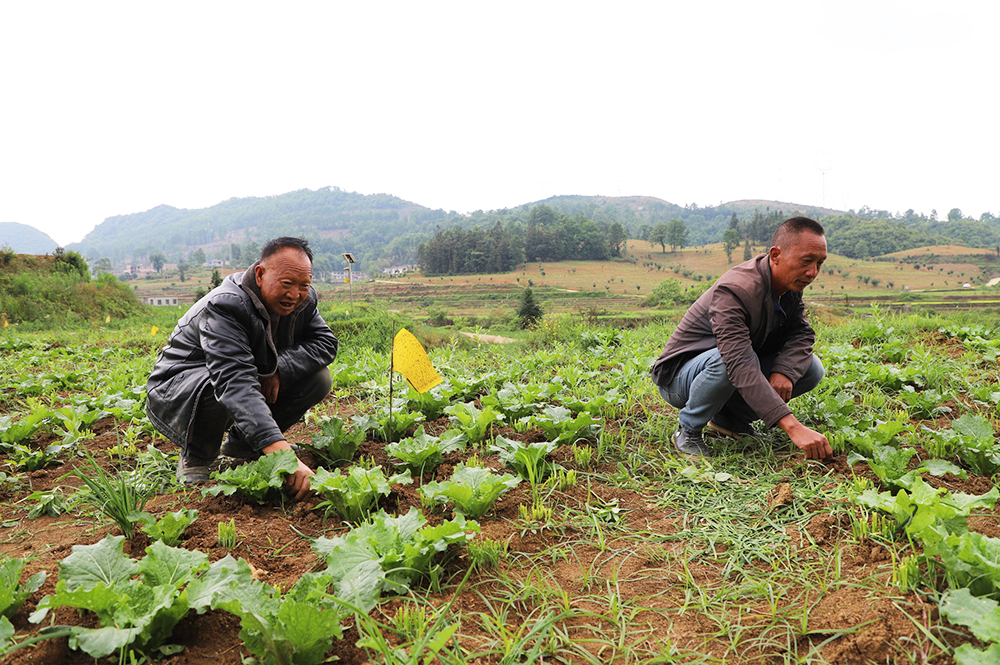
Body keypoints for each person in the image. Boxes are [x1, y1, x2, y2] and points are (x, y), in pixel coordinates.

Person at [146, 237, 338, 499]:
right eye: (286, 284)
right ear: (260, 274)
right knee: (219, 383)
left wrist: (277, 369)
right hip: (178, 388)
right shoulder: (226, 304)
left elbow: (325, 342)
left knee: (318, 378)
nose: (295, 294)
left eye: (304, 285)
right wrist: (283, 455)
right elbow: (233, 381)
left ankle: (245, 444)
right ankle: (197, 455)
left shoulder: (302, 300)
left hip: (241, 372)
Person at [650, 216, 832, 460]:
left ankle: (729, 420)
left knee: (811, 368)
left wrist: (785, 370)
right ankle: (688, 430)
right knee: (726, 362)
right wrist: (793, 427)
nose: (813, 272)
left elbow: (801, 334)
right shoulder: (735, 290)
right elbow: (737, 361)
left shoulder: (789, 287)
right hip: (680, 378)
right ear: (776, 255)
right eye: (806, 261)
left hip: (727, 370)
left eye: (820, 263)